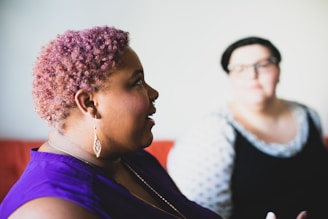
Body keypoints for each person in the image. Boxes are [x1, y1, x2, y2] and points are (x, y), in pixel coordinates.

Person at [0, 25, 222, 219]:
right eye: (137, 83)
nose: (153, 92)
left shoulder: (134, 159)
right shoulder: (53, 210)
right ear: (89, 103)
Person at [167, 36, 328, 219]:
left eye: (264, 64)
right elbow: (202, 214)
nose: (253, 75)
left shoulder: (307, 115)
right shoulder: (212, 132)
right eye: (240, 69)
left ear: (278, 70)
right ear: (230, 77)